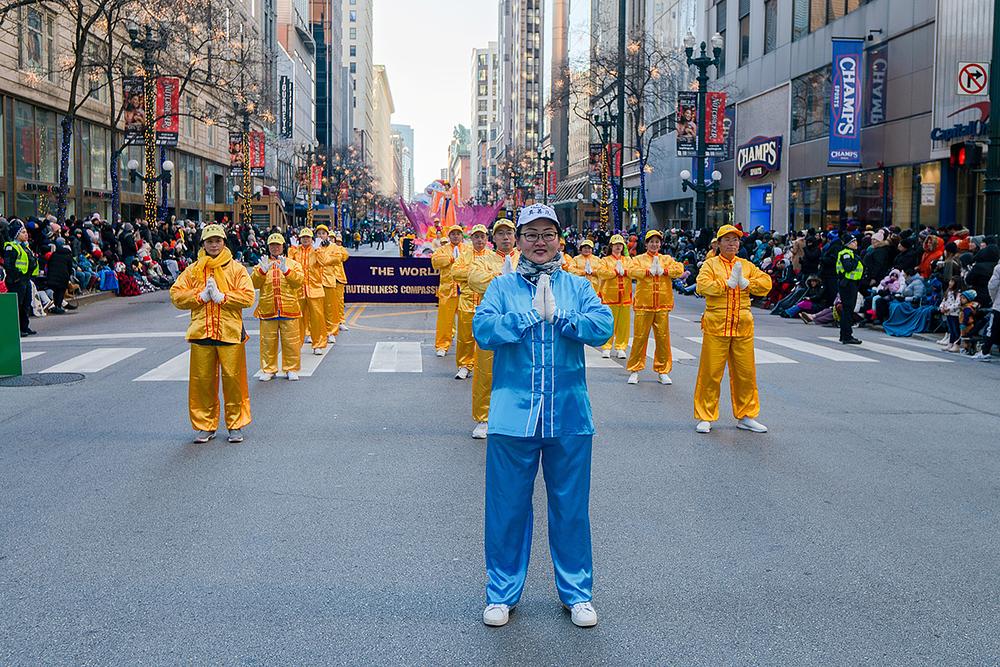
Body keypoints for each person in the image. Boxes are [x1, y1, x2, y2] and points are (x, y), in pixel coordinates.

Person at [472, 203, 613, 629]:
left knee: (571, 508)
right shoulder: (501, 287)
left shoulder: (578, 286)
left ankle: (577, 593)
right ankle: (501, 592)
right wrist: (530, 314)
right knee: (507, 507)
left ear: (559, 239)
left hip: (568, 414)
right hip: (513, 415)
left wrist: (563, 316)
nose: (538, 242)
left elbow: (603, 326)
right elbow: (483, 331)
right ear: (517, 240)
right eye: (530, 234)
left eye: (546, 234)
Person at [169, 224, 254, 444]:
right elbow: (176, 295)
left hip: (229, 333)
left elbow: (247, 297)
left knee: (234, 381)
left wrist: (222, 297)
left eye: (217, 241)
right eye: (209, 241)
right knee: (202, 382)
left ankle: (235, 425)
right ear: (203, 244)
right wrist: (200, 296)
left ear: (224, 242)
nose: (214, 245)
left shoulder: (236, 269)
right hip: (201, 332)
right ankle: (205, 425)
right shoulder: (194, 269)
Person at [693, 225, 772, 435]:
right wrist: (726, 284)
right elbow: (701, 286)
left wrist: (746, 283)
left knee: (746, 374)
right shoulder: (710, 265)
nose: (731, 243)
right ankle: (705, 416)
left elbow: (766, 283)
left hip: (742, 326)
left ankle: (746, 415)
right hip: (717, 325)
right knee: (711, 373)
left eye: (735, 240)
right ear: (718, 244)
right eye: (726, 240)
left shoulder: (746, 265)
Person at [467, 219, 519, 439]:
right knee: (485, 370)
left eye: (509, 233)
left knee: (518, 369)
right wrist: (500, 279)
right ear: (494, 238)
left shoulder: (525, 259)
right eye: (501, 234)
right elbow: (474, 280)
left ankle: (516, 415)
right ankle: (484, 417)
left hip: (519, 321)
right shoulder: (483, 259)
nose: (505, 238)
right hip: (491, 321)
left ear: (515, 236)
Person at [625, 229, 684, 385]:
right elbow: (630, 271)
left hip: (662, 304)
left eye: (657, 242)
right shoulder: (638, 259)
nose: (654, 244)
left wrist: (664, 271)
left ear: (660, 244)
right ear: (646, 244)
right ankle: (635, 369)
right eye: (651, 242)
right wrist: (647, 271)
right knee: (639, 338)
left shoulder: (666, 259)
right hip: (644, 304)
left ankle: (663, 371)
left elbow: (679, 269)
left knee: (663, 339)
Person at [251, 233, 304, 381]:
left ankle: (291, 368)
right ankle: (269, 369)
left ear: (283, 246)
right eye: (272, 245)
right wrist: (261, 272)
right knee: (268, 341)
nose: (275, 248)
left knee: (291, 341)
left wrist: (286, 271)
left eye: (278, 245)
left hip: (289, 308)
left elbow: (299, 282)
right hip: (268, 309)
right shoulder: (262, 263)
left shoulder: (293, 264)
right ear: (268, 247)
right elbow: (253, 284)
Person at [450, 224, 490, 380]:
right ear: (471, 238)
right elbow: (455, 272)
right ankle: (465, 365)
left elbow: (497, 274)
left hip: (487, 304)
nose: (479, 240)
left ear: (487, 238)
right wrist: (477, 274)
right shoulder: (464, 255)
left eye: (482, 236)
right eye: (476, 236)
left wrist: (472, 276)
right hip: (467, 302)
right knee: (465, 337)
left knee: (486, 337)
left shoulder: (492, 256)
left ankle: (485, 367)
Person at [287, 227, 329, 356]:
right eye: (303, 237)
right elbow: (289, 266)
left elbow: (323, 263)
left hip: (314, 289)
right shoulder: (296, 250)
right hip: (298, 290)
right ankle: (296, 344)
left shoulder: (317, 250)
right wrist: (292, 250)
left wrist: (318, 250)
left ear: (311, 239)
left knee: (317, 319)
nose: (305, 239)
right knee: (297, 319)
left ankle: (318, 344)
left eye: (308, 237)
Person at [430, 224, 468, 357]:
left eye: (458, 234)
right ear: (449, 236)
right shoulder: (442, 249)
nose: (456, 236)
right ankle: (442, 345)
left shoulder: (468, 249)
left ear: (461, 236)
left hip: (465, 291)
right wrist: (451, 258)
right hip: (447, 291)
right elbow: (435, 261)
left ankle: (467, 347)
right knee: (444, 321)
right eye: (453, 234)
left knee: (466, 321)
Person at [595, 234, 632, 359]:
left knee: (623, 324)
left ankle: (621, 347)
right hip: (609, 296)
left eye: (620, 244)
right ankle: (606, 346)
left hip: (625, 296)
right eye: (615, 245)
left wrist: (626, 272)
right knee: (609, 323)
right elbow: (601, 273)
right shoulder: (605, 261)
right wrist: (615, 272)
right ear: (611, 246)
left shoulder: (628, 260)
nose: (618, 247)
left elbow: (634, 272)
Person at [4, 220, 39, 336]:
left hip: (26, 279)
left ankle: (25, 327)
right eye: (23, 232)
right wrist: (17, 278)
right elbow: (9, 265)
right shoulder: (11, 247)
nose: (26, 234)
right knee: (18, 305)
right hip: (17, 281)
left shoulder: (25, 247)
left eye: (26, 232)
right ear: (16, 234)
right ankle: (16, 329)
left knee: (26, 304)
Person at [315, 225, 342, 345]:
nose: (321, 235)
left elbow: (337, 259)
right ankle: (314, 332)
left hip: (329, 280)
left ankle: (331, 332)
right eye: (319, 233)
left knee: (330, 308)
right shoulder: (313, 247)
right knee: (316, 310)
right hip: (315, 282)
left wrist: (323, 257)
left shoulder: (334, 247)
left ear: (327, 235)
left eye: (323, 233)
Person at [836, 233, 864, 345]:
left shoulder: (850, 253)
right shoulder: (846, 254)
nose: (855, 243)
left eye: (856, 241)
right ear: (848, 244)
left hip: (850, 284)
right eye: (853, 241)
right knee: (848, 310)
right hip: (848, 284)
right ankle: (847, 336)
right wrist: (856, 260)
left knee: (847, 310)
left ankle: (844, 335)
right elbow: (848, 268)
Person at [331, 231, 351, 332]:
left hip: (338, 278)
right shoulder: (320, 249)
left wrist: (337, 245)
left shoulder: (338, 249)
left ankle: (340, 321)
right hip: (325, 280)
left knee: (339, 302)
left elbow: (345, 256)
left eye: (332, 238)